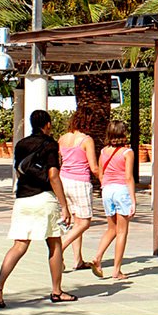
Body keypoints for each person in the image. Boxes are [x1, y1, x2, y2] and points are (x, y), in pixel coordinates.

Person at [0, 109, 77, 307]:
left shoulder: (21, 144)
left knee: (19, 245)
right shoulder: (50, 144)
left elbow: (19, 170)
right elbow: (53, 176)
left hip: (23, 199)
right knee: (54, 244)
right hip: (44, 199)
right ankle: (57, 291)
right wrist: (64, 205)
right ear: (47, 124)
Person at [89, 119, 137, 280]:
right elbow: (128, 177)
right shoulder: (127, 152)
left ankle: (98, 256)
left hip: (107, 190)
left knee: (111, 228)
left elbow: (100, 173)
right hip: (121, 190)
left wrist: (105, 185)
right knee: (122, 232)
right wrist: (133, 200)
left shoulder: (103, 151)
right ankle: (116, 270)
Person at [58, 107, 102, 275]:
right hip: (80, 182)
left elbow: (61, 160)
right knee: (84, 222)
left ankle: (78, 260)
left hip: (64, 180)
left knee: (76, 222)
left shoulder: (63, 138)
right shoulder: (86, 140)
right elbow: (93, 167)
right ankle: (60, 248)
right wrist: (103, 179)